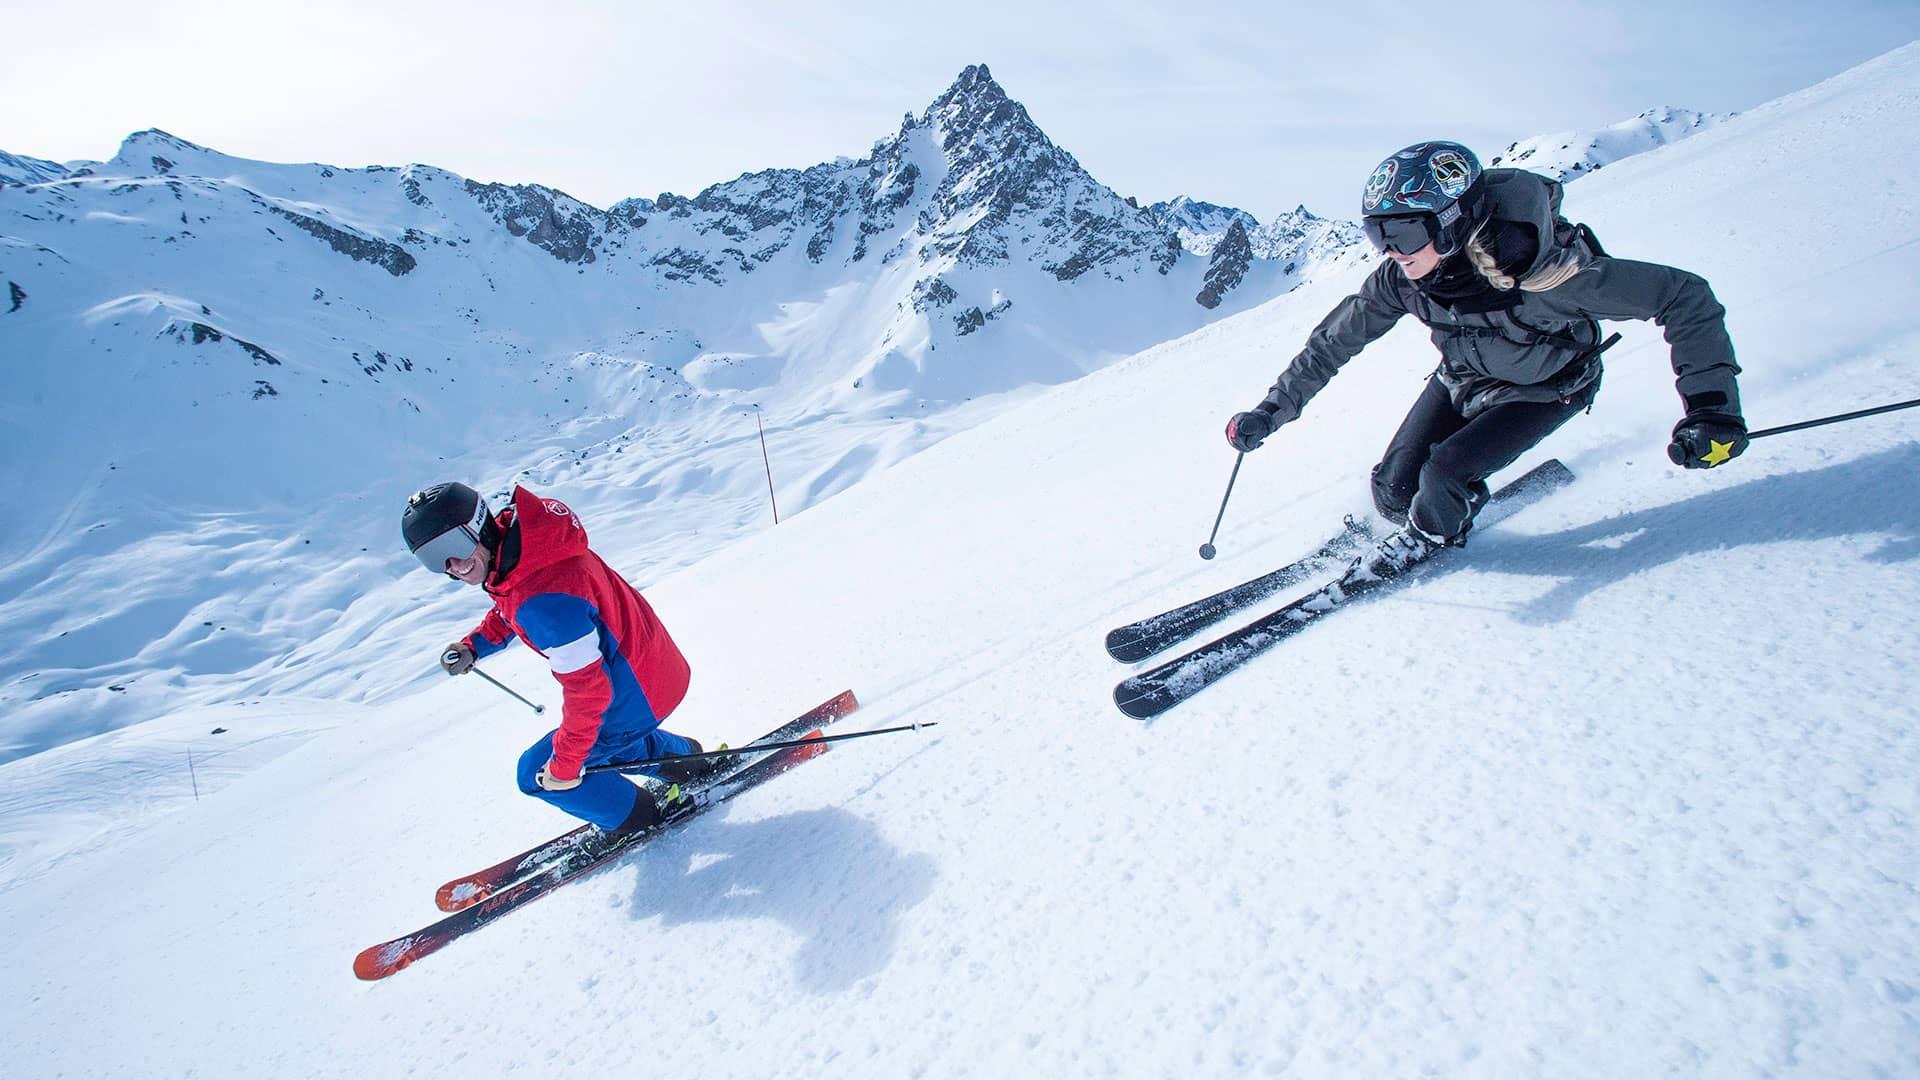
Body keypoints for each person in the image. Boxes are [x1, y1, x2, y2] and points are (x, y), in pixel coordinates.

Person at [1225, 141, 1748, 574]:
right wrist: (1272, 411)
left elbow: (1684, 296)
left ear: (1452, 223)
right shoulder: (1402, 280)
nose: (1390, 249)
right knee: (1391, 491)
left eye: (1404, 231)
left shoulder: (1553, 279)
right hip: (1464, 379)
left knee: (1444, 474)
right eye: (1377, 232)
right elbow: (1332, 344)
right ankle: (1447, 506)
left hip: (1547, 388)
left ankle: (1432, 534)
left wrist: (1711, 410)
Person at [401, 482, 718, 843]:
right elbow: (510, 607)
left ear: (478, 523)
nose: (452, 566)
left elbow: (588, 693)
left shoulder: (543, 599)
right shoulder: (526, 547)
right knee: (605, 740)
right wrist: (474, 647)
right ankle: (686, 762)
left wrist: (564, 769)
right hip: (652, 669)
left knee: (535, 773)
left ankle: (634, 817)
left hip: (634, 694)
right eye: (433, 559)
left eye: (451, 547)